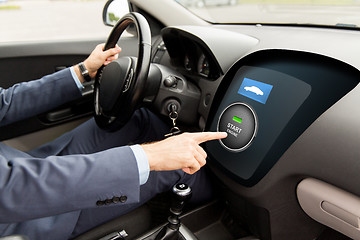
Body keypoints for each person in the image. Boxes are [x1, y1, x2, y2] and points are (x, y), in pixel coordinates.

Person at [0, 43, 227, 240]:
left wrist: (83, 71)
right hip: (25, 213)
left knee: (138, 120)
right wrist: (153, 156)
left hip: (24, 165)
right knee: (178, 166)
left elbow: (3, 103)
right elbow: (12, 188)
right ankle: (226, 214)